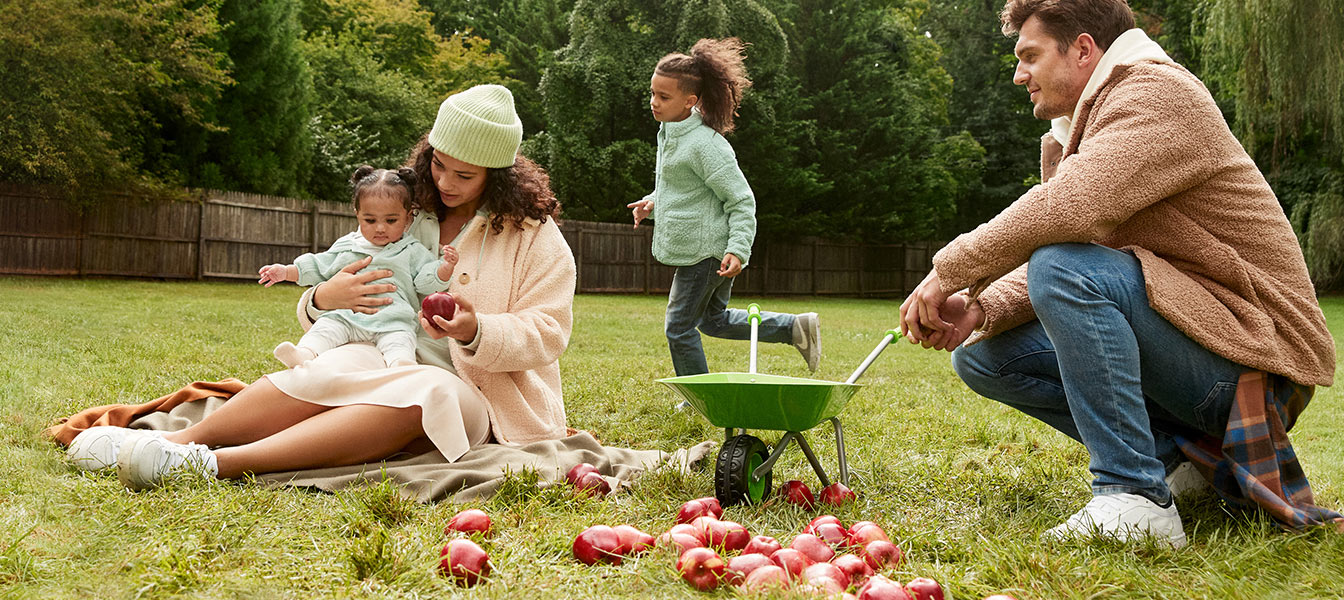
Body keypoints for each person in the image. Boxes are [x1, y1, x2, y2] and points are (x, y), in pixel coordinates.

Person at [898, 0, 1336, 548]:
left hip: (1256, 357)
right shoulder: (1085, 126)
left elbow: (1073, 213)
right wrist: (985, 307)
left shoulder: (1156, 93)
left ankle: (1132, 495)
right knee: (984, 354)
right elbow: (1090, 241)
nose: (1019, 75)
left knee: (1065, 269)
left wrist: (950, 271)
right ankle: (1177, 468)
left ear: (1083, 49)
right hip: (1196, 333)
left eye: (1029, 56)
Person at [64, 84, 577, 491]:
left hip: (474, 392)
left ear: (499, 175)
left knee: (430, 389)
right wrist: (321, 298)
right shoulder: (403, 207)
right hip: (376, 350)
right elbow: (335, 280)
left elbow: (548, 331)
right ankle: (182, 442)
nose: (444, 182)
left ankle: (211, 465)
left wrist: (475, 329)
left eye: (464, 175)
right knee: (329, 365)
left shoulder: (533, 234)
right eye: (438, 164)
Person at [627, 37, 821, 383]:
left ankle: (699, 396)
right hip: (702, 250)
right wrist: (653, 202)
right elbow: (684, 189)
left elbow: (741, 200)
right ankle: (794, 328)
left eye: (663, 96)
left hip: (706, 252)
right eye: (652, 93)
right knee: (712, 320)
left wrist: (737, 249)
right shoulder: (672, 133)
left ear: (690, 101)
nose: (654, 102)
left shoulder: (706, 145)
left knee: (678, 327)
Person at [257, 165, 458, 369]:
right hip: (347, 316)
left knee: (401, 341)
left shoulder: (412, 250)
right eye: (370, 220)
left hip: (393, 320)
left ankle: (401, 365)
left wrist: (444, 268)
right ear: (357, 214)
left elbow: (425, 280)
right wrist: (285, 271)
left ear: (407, 216)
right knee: (326, 328)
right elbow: (318, 265)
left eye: (391, 220)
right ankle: (304, 353)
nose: (380, 228)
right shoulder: (348, 246)